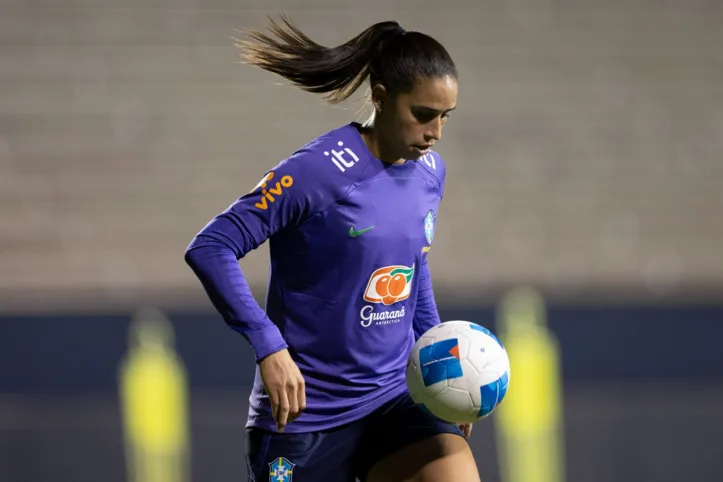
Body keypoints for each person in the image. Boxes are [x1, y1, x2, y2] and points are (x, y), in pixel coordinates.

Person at [184, 16, 480, 482]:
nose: (436, 131)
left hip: (393, 400)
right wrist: (269, 347)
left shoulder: (429, 173)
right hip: (304, 419)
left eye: (445, 116)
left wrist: (442, 368)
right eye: (423, 114)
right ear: (380, 97)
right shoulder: (316, 172)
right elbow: (211, 247)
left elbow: (412, 267)